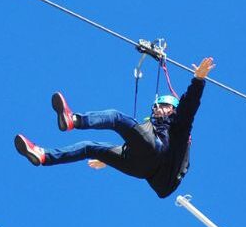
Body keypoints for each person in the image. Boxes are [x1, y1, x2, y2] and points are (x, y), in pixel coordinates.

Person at [13, 57, 215, 198]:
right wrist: (110, 159)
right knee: (90, 148)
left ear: (173, 110)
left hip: (157, 159)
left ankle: (73, 119)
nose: (158, 110)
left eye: (163, 106)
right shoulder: (153, 130)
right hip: (143, 169)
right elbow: (140, 147)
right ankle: (44, 156)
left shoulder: (178, 128)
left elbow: (189, 106)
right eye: (156, 106)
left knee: (116, 118)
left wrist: (198, 80)